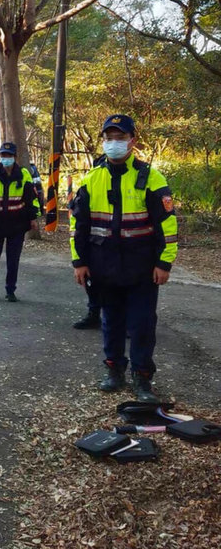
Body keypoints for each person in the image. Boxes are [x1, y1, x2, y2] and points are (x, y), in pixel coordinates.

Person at [70, 114, 178, 403]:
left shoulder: (151, 177)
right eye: (109, 137)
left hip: (142, 268)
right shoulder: (91, 178)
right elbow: (77, 226)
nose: (114, 143)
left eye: (120, 137)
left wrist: (164, 263)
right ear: (103, 141)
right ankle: (114, 370)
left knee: (142, 324)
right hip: (103, 266)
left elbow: (167, 225)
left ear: (133, 141)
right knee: (110, 322)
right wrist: (79, 262)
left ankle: (143, 378)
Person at [0, 142, 41, 302]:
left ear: (15, 157)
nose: (6, 159)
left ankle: (10, 290)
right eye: (3, 156)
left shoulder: (24, 174)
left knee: (13, 259)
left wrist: (33, 218)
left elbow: (30, 198)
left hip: (16, 223)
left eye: (9, 156)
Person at [72, 154, 107, 330]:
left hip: (123, 250)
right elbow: (77, 225)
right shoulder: (90, 183)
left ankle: (128, 324)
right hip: (94, 247)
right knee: (92, 284)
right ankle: (94, 315)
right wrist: (79, 259)